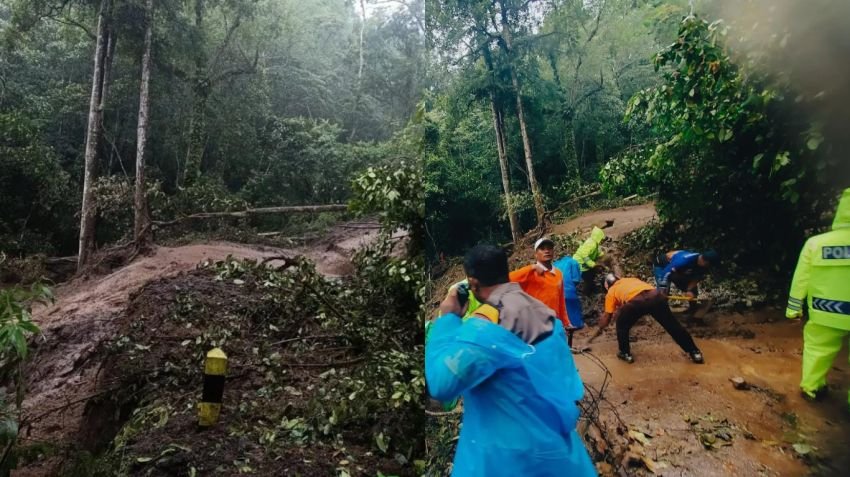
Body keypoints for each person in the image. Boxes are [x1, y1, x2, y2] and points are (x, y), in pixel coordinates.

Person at [425, 245, 597, 476]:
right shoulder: (545, 314)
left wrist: (447, 320)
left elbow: (441, 384)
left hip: (509, 460)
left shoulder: (486, 325)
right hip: (556, 451)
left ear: (473, 283)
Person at [786, 187, 850, 407]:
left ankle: (812, 388)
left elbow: (800, 279)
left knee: (817, 350)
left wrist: (793, 309)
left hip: (825, 310)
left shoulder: (816, 243)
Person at [587, 274, 704, 364]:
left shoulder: (611, 292)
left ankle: (625, 353)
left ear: (606, 286)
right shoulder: (630, 279)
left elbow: (608, 316)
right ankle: (694, 352)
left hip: (636, 303)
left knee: (622, 326)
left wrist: (601, 326)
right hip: (656, 296)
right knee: (673, 326)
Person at [509, 237, 570, 330]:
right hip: (535, 324)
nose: (547, 251)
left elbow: (561, 301)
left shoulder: (558, 274)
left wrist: (566, 322)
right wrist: (532, 267)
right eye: (542, 249)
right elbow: (509, 278)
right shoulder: (531, 272)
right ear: (536, 254)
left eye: (549, 248)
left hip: (554, 322)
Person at [653, 249, 719, 299]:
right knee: (663, 292)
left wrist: (689, 290)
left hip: (678, 269)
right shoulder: (684, 260)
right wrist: (663, 289)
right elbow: (666, 273)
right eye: (707, 265)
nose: (707, 267)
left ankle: (692, 310)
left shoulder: (703, 266)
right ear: (705, 261)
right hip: (662, 265)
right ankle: (661, 310)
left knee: (692, 292)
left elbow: (696, 278)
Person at [572, 226, 614, 294]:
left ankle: (592, 288)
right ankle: (586, 293)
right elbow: (584, 254)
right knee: (588, 279)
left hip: (585, 263)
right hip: (580, 263)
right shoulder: (591, 244)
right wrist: (592, 264)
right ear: (598, 237)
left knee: (591, 275)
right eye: (601, 239)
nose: (602, 240)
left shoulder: (595, 243)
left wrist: (602, 255)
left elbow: (596, 252)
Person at [553, 254, 585, 329]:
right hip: (568, 290)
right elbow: (576, 279)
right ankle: (577, 325)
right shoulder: (573, 262)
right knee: (573, 308)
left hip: (554, 291)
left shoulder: (555, 264)